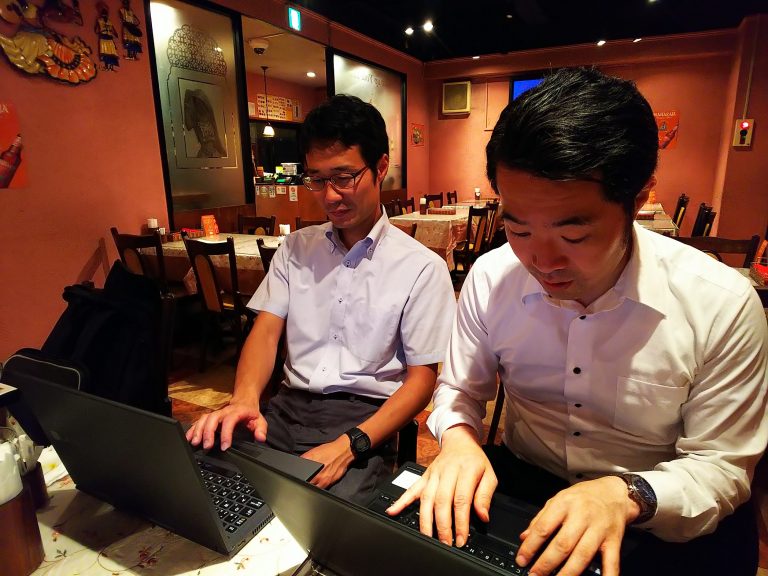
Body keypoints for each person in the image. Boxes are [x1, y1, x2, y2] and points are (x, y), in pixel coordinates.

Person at [388, 67, 768, 576]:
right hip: (530, 486)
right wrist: (457, 439)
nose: (541, 261)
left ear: (638, 199)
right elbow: (460, 389)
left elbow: (722, 466)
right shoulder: (492, 277)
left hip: (658, 508)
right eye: (519, 229)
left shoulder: (720, 303)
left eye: (574, 235)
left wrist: (627, 493)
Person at [187, 94, 456, 503]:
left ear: (381, 167)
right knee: (204, 477)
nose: (330, 196)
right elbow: (266, 332)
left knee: (323, 517)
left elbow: (422, 380)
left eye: (344, 177)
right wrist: (244, 399)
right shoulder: (295, 248)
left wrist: (350, 446)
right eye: (316, 179)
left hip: (364, 419)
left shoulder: (421, 267)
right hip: (286, 407)